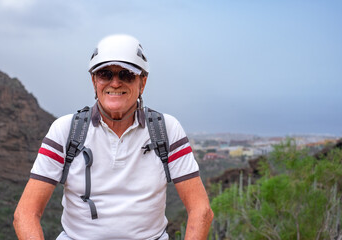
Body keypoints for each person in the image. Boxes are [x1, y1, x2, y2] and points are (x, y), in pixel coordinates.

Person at [13, 34, 213, 240]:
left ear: (142, 82)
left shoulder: (166, 130)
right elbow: (26, 213)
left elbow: (200, 210)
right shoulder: (66, 130)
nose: (115, 83)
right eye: (105, 74)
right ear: (94, 81)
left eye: (127, 74)